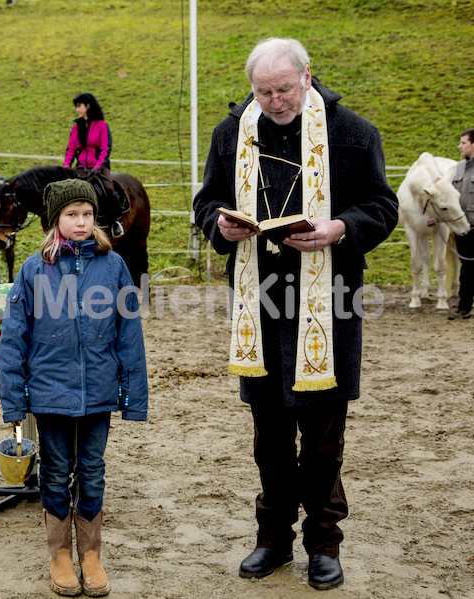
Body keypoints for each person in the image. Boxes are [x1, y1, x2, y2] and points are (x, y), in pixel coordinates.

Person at [193, 38, 398, 591]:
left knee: (324, 440)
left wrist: (338, 229)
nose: (275, 100)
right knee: (271, 440)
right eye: (264, 91)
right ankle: (273, 539)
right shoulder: (230, 132)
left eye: (284, 88)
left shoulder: (354, 133)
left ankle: (324, 544)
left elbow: (382, 206)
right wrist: (221, 225)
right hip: (258, 309)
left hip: (329, 309)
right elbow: (206, 201)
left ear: (308, 76)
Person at [0, 178, 148, 597]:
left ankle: (91, 553)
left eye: (86, 214)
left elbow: (129, 334)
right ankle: (59, 553)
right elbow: (14, 338)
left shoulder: (113, 266)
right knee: (55, 470)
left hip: (99, 390)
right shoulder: (32, 269)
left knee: (93, 470)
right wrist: (14, 400)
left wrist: (133, 397)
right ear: (55, 221)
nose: (81, 222)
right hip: (49, 393)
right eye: (71, 215)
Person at [63, 92, 124, 238]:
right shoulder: (75, 129)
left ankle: (116, 222)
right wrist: (65, 169)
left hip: (100, 167)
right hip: (81, 167)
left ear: (88, 106)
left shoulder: (102, 126)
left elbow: (105, 149)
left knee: (109, 188)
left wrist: (97, 167)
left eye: (79, 106)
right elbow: (70, 150)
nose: (77, 110)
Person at [448, 128, 474, 320]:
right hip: (463, 229)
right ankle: (464, 306)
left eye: (464, 142)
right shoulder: (458, 169)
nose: (460, 146)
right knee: (466, 269)